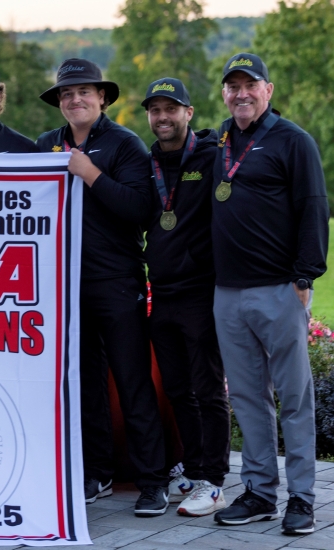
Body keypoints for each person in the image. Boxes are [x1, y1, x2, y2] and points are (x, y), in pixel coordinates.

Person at [36, 59, 168, 516]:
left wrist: (88, 173)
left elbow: (139, 208)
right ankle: (98, 472)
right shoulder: (45, 145)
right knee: (85, 385)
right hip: (65, 285)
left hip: (116, 281)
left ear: (102, 98)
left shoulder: (125, 144)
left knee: (132, 383)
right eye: (67, 95)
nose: (75, 100)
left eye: (84, 92)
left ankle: (153, 481)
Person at [211, 53, 328, 535]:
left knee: (294, 399)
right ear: (224, 93)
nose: (241, 93)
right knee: (247, 398)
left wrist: (305, 279)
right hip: (227, 293)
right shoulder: (216, 142)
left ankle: (301, 498)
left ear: (268, 90)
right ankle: (260, 491)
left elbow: (314, 209)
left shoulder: (293, 141)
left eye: (250, 85)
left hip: (280, 289)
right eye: (233, 86)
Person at [141, 78, 230, 517]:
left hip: (202, 291)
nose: (162, 117)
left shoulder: (212, 157)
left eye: (170, 109)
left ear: (188, 113)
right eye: (155, 110)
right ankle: (194, 470)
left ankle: (215, 480)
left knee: (209, 389)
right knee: (177, 389)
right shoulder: (148, 162)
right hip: (163, 292)